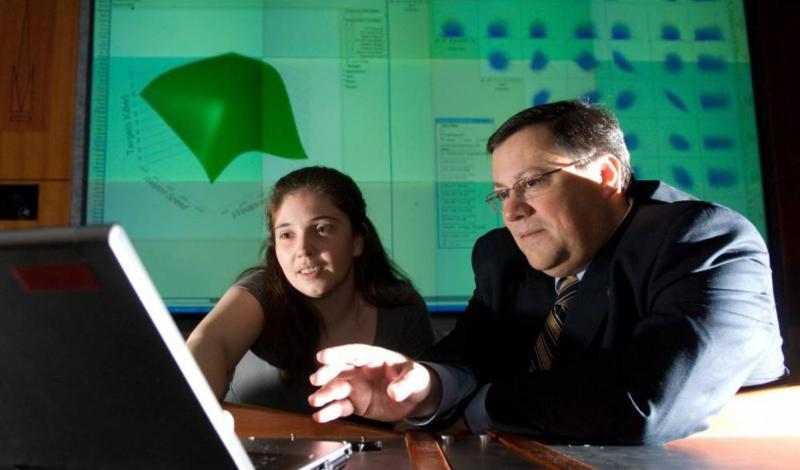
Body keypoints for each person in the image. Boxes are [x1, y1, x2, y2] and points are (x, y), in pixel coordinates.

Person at [308, 100, 786, 444]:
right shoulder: (502, 255)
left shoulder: (704, 239)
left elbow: (646, 404)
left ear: (604, 176)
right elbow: (473, 349)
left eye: (532, 182)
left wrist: (480, 408)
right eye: (501, 193)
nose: (511, 211)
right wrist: (422, 387)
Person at [187, 166, 434, 414]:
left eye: (322, 229)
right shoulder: (259, 291)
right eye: (286, 235)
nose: (303, 249)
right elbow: (209, 343)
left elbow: (423, 418)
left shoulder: (402, 309)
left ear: (358, 239)